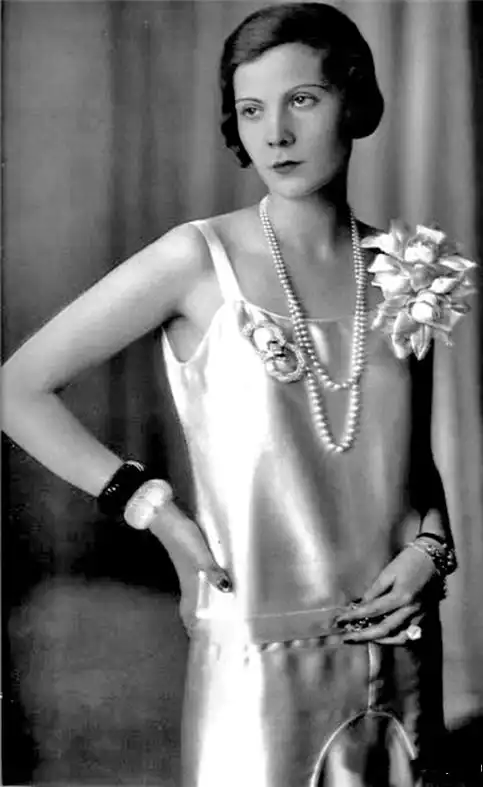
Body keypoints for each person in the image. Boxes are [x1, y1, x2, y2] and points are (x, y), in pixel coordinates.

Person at [2, 3, 460, 785]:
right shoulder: (194, 259)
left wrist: (432, 550)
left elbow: (410, 469)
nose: (275, 133)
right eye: (252, 110)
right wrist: (156, 512)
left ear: (353, 102)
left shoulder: (406, 268)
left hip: (400, 655)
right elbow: (17, 389)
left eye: (302, 100)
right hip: (256, 662)